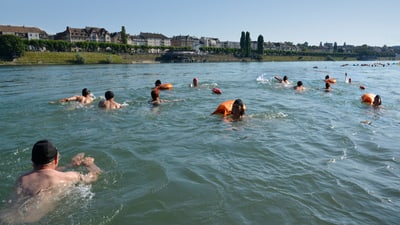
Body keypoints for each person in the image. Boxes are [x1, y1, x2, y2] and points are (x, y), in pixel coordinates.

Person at [0, 140, 102, 224]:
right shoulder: (68, 177)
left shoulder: (22, 178)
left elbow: (44, 173)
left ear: (32, 161)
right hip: (30, 221)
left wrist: (69, 165)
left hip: (5, 217)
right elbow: (93, 177)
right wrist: (90, 165)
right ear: (56, 159)